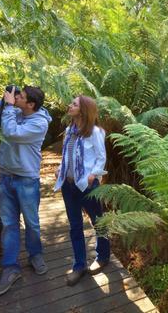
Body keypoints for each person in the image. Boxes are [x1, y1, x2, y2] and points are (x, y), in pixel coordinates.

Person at [0, 86, 52, 296]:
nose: (17, 98)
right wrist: (4, 99)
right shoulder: (14, 110)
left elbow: (11, 133)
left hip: (26, 180)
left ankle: (35, 255)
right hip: (6, 177)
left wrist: (10, 108)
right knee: (9, 225)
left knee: (31, 222)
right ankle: (10, 268)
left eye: (20, 96)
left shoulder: (39, 123)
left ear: (30, 104)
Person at [53, 95, 110, 286]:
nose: (70, 105)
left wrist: (92, 175)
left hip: (87, 186)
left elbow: (101, 158)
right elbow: (67, 155)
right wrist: (60, 169)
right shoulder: (69, 130)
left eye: (74, 104)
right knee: (75, 226)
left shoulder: (94, 132)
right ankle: (79, 266)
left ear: (84, 109)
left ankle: (103, 256)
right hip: (68, 186)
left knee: (98, 222)